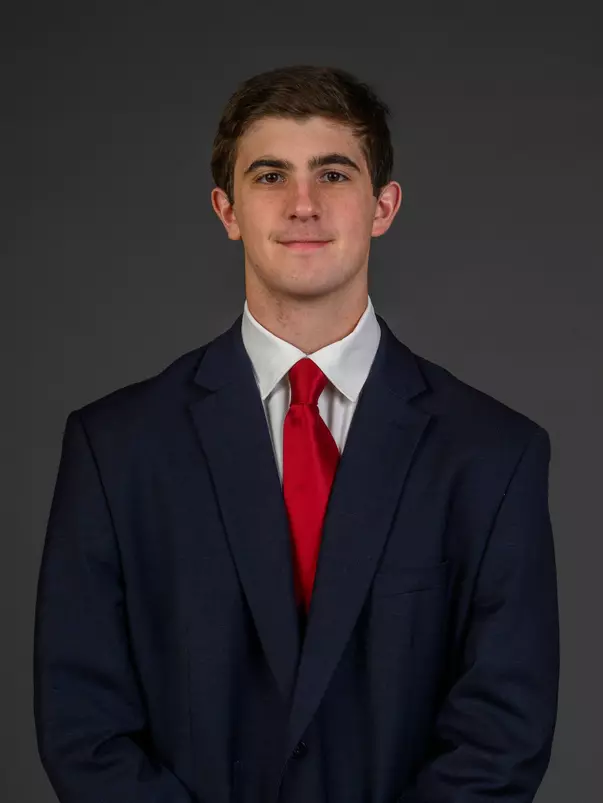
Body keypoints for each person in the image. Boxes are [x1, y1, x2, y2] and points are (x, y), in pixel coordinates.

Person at [34, 65, 559, 803]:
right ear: (226, 209)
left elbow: (502, 731)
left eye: (334, 173)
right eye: (270, 175)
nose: (303, 204)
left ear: (383, 206)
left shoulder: (494, 454)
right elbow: (82, 723)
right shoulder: (113, 449)